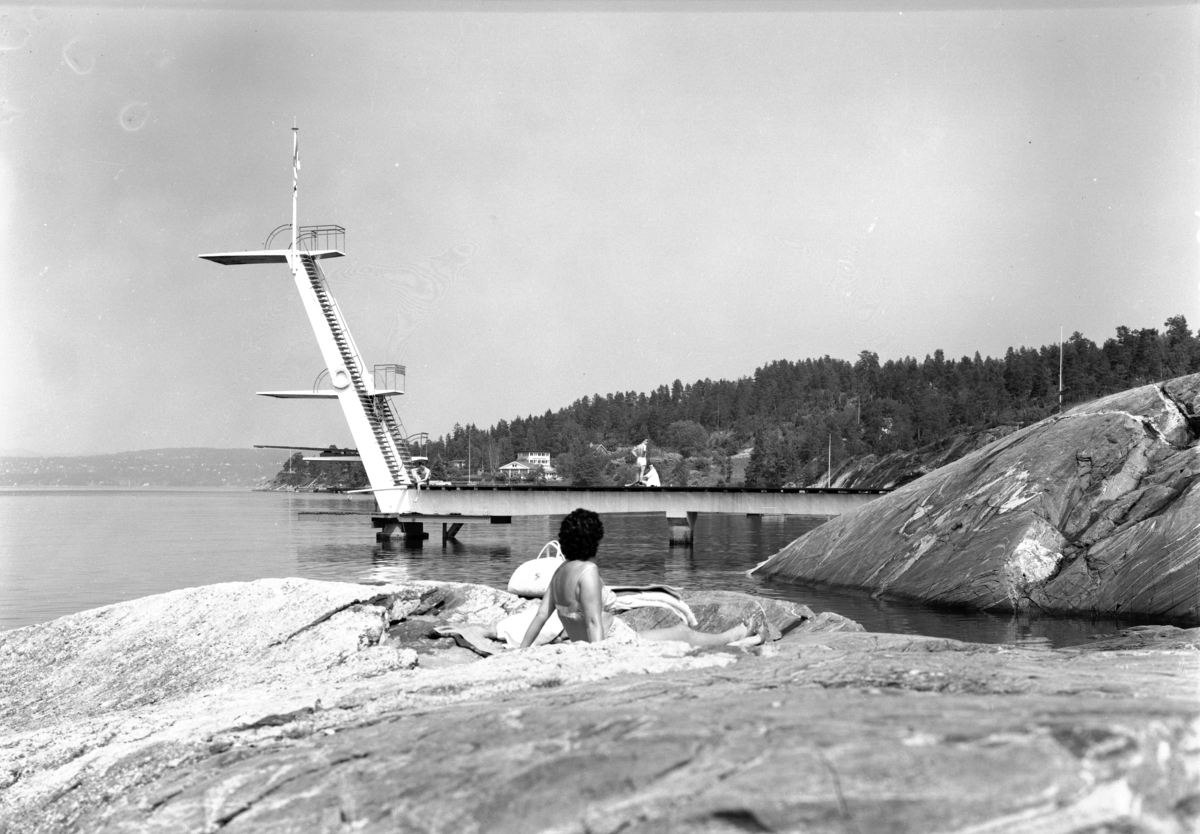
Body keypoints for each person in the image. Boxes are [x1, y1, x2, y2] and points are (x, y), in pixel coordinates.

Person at [519, 509, 767, 648]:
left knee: (678, 638)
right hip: (613, 643)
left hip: (595, 641)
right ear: (594, 540)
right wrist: (598, 660)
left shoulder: (559, 572)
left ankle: (740, 637)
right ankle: (738, 636)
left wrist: (522, 651)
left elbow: (541, 616)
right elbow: (594, 622)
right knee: (683, 635)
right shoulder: (588, 573)